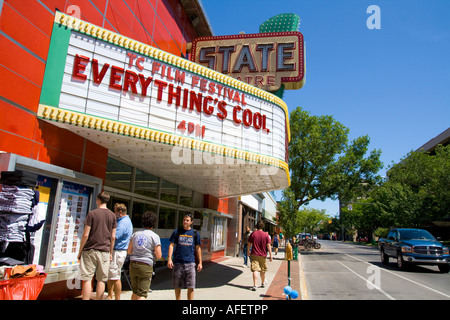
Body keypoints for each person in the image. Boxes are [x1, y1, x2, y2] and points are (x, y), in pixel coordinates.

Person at [78, 191, 117, 300]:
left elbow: (85, 234)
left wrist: (80, 251)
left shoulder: (92, 213)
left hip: (90, 250)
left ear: (98, 200)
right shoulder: (112, 216)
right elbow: (113, 237)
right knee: (101, 280)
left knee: (87, 278)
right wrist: (110, 252)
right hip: (104, 251)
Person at [127, 211, 161, 300]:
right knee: (142, 294)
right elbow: (159, 255)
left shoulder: (135, 234)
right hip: (146, 265)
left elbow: (129, 251)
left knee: (135, 291)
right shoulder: (154, 236)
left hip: (133, 264)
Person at [167, 213, 202, 300]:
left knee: (191, 286)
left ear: (191, 222)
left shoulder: (195, 233)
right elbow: (171, 245)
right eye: (184, 220)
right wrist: (169, 259)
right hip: (178, 263)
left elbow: (198, 248)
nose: (185, 222)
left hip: (190, 263)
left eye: (187, 220)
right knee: (177, 286)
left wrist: (200, 262)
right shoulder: (177, 231)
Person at [106, 203, 133, 300]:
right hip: (119, 251)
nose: (114, 213)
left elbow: (114, 237)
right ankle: (110, 295)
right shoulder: (126, 221)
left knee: (115, 276)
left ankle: (115, 297)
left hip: (117, 251)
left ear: (120, 212)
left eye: (115, 211)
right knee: (112, 275)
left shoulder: (122, 223)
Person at [248, 220, 272, 291]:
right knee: (262, 269)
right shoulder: (266, 235)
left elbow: (249, 243)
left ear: (256, 226)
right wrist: (270, 255)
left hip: (254, 254)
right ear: (263, 227)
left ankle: (255, 285)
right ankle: (262, 282)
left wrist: (248, 251)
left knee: (255, 269)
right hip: (263, 254)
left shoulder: (253, 234)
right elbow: (268, 245)